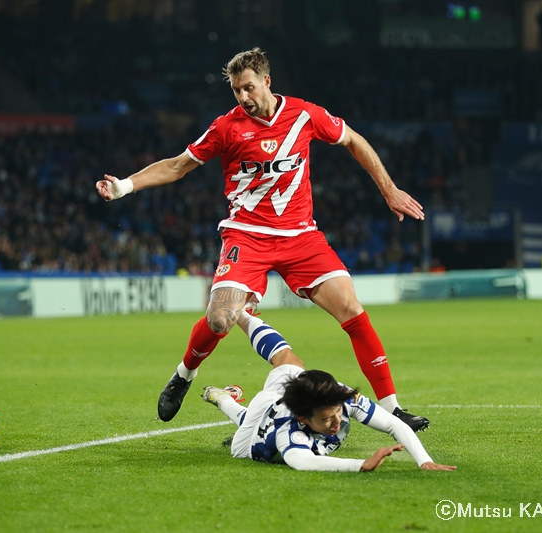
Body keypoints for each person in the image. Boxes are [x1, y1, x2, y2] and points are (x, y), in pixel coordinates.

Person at [96, 47, 429, 430]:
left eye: (249, 88)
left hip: (302, 237)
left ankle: (392, 407)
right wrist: (123, 186)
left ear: (267, 82)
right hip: (248, 235)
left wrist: (389, 190)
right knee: (220, 319)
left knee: (352, 309)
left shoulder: (305, 115)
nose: (243, 98)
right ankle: (184, 375)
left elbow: (354, 140)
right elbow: (176, 166)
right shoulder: (227, 127)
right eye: (237, 91)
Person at [201, 311, 456, 472]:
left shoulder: (341, 397)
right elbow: (305, 462)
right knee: (248, 421)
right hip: (253, 435)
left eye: (336, 414)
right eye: (325, 419)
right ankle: (222, 398)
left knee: (290, 360)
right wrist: (361, 465)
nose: (336, 422)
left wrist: (424, 460)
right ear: (304, 419)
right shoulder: (290, 433)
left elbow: (393, 424)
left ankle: (242, 314)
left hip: (291, 393)